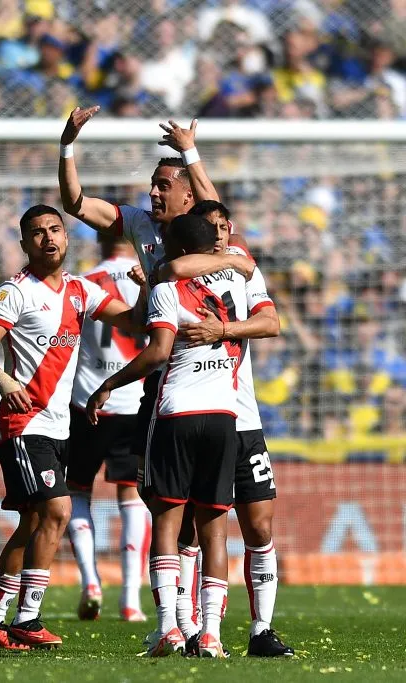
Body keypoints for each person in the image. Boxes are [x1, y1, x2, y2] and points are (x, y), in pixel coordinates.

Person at [0, 205, 147, 651]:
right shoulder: (15, 292)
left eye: (55, 230)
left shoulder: (81, 291)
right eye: (37, 233)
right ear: (26, 244)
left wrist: (144, 295)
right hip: (24, 423)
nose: (48, 238)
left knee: (33, 521)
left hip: (58, 425)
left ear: (67, 239)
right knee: (58, 511)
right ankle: (27, 618)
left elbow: (135, 323)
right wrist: (5, 382)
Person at [86, 214, 263, 659]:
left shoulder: (167, 285)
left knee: (167, 524)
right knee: (215, 532)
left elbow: (158, 353)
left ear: (175, 246)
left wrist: (110, 384)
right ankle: (211, 636)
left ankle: (168, 628)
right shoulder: (238, 279)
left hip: (175, 414)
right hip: (225, 415)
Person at [58, 108, 255, 500]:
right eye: (152, 185)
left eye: (163, 186)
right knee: (156, 494)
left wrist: (191, 153)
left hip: (215, 370)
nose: (153, 193)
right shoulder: (140, 223)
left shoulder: (212, 238)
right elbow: (76, 204)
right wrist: (66, 145)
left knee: (215, 504)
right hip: (163, 372)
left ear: (187, 195)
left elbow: (213, 206)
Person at [162, 200, 293, 657]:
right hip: (199, 411)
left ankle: (261, 630)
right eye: (210, 228)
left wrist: (224, 330)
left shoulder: (242, 272)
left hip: (245, 419)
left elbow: (271, 322)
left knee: (259, 525)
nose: (218, 235)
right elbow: (177, 263)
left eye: (224, 228)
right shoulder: (181, 272)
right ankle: (190, 625)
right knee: (194, 529)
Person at [66, 232, 150, 623]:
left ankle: (90, 581)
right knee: (132, 500)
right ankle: (130, 599)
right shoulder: (148, 279)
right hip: (133, 402)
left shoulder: (83, 283)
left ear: (99, 240)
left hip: (87, 403)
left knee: (77, 491)